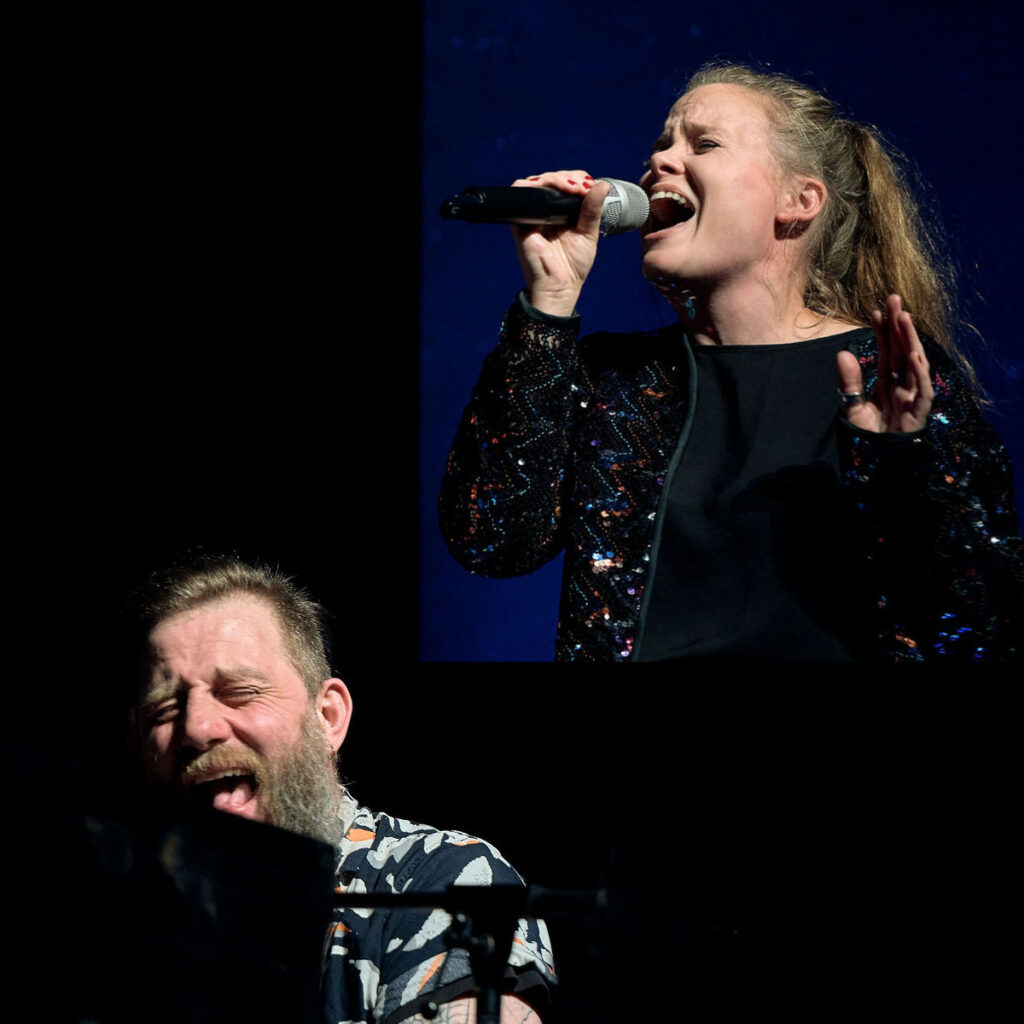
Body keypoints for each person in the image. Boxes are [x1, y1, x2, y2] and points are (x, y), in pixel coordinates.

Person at [438, 61, 1023, 663]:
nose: (660, 161)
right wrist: (549, 302)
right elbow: (493, 541)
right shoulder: (613, 377)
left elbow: (983, 628)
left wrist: (903, 465)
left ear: (799, 201)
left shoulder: (887, 376)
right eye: (661, 144)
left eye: (705, 143)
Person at [132, 554, 556, 1023]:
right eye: (163, 711)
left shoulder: (444, 879)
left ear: (328, 718)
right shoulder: (119, 920)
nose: (196, 727)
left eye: (239, 691)